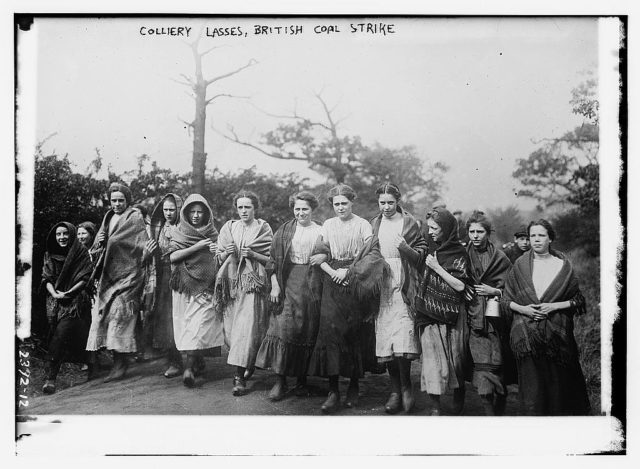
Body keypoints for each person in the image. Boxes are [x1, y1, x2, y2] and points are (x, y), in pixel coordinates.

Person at [307, 184, 388, 414]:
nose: (340, 207)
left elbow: (372, 254)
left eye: (344, 203)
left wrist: (349, 273)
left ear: (352, 203)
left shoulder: (363, 225)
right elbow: (317, 253)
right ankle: (333, 390)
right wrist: (333, 272)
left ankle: (353, 386)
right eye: (336, 204)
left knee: (353, 334)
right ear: (332, 205)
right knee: (330, 334)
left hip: (356, 280)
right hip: (331, 281)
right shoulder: (328, 225)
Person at [501, 219, 590, 415]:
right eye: (533, 235)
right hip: (526, 336)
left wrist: (553, 306)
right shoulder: (520, 264)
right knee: (533, 391)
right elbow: (506, 300)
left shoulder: (563, 266)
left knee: (557, 387)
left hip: (557, 338)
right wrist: (525, 310)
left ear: (550, 238)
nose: (536, 240)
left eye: (541, 235)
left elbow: (577, 300)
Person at [255, 191, 323, 401]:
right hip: (287, 281)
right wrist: (275, 286)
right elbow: (272, 262)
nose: (300, 213)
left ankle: (302, 381)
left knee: (306, 329)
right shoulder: (284, 230)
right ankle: (280, 380)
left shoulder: (321, 231)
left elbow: (329, 254)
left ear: (312, 210)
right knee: (282, 327)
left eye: (305, 209)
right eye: (297, 209)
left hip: (312, 283)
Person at [369, 183, 427, 414]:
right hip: (381, 283)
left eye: (390, 202)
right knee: (386, 338)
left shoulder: (410, 223)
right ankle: (394, 390)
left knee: (403, 336)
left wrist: (405, 248)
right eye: (382, 203)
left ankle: (406, 388)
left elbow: (421, 254)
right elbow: (368, 251)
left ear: (398, 201)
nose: (386, 207)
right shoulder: (374, 223)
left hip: (405, 282)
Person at [86, 183, 150, 383]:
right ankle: (118, 362)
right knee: (105, 320)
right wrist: (101, 242)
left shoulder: (134, 217)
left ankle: (121, 365)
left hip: (130, 276)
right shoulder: (107, 218)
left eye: (120, 200)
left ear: (127, 200)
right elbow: (97, 249)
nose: (116, 204)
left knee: (120, 319)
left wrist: (115, 243)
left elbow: (141, 244)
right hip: (108, 277)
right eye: (113, 200)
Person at [214, 191, 273, 396]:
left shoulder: (263, 228)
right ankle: (247, 361)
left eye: (247, 207)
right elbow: (218, 258)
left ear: (255, 208)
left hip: (253, 283)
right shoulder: (229, 228)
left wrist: (254, 254)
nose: (243, 211)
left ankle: (238, 376)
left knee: (245, 328)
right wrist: (226, 252)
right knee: (231, 331)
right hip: (231, 284)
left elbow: (271, 259)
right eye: (240, 207)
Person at [415, 207, 473, 415]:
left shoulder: (458, 253)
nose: (430, 232)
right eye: (429, 227)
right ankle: (435, 405)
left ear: (447, 229)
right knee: (431, 359)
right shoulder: (428, 248)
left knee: (456, 359)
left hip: (453, 315)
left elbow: (460, 286)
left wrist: (438, 267)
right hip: (428, 313)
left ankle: (459, 395)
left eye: (435, 228)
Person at [168, 194, 222, 387]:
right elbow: (172, 257)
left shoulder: (213, 232)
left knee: (198, 325)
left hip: (206, 286)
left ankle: (189, 369)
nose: (196, 216)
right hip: (184, 284)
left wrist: (218, 253)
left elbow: (219, 259)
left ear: (207, 213)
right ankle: (196, 362)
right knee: (186, 326)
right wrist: (198, 246)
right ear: (186, 213)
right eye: (192, 212)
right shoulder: (180, 231)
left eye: (200, 212)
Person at [465, 211, 513, 415]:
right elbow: (456, 281)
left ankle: (500, 399)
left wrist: (494, 291)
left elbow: (513, 288)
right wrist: (464, 290)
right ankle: (488, 411)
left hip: (497, 319)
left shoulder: (500, 258)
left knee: (497, 364)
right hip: (472, 317)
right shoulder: (463, 255)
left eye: (480, 231)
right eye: (471, 231)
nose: (475, 236)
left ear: (488, 233)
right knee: (481, 366)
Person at [41, 222, 94, 393]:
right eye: (58, 234)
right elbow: (46, 278)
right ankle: (93, 366)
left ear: (71, 235)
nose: (62, 237)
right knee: (62, 334)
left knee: (62, 333)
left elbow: (85, 278)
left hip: (76, 301)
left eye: (65, 234)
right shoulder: (50, 254)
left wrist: (68, 293)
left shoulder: (81, 253)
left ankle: (50, 379)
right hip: (55, 301)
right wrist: (56, 295)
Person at [147, 193, 184, 378]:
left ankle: (195, 360)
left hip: (182, 274)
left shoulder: (184, 227)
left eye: (172, 209)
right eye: (166, 210)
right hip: (163, 275)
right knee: (166, 318)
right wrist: (150, 251)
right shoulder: (159, 227)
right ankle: (174, 360)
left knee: (184, 316)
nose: (169, 213)